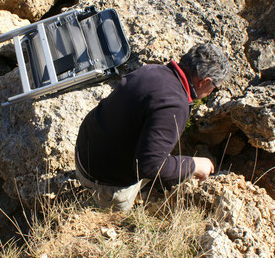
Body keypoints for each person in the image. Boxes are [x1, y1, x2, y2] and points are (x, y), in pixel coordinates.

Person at [75, 43, 230, 211]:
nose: (211, 92)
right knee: (111, 221)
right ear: (204, 82)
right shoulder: (174, 105)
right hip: (105, 180)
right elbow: (150, 166)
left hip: (88, 148)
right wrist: (194, 165)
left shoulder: (152, 70)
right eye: (214, 88)